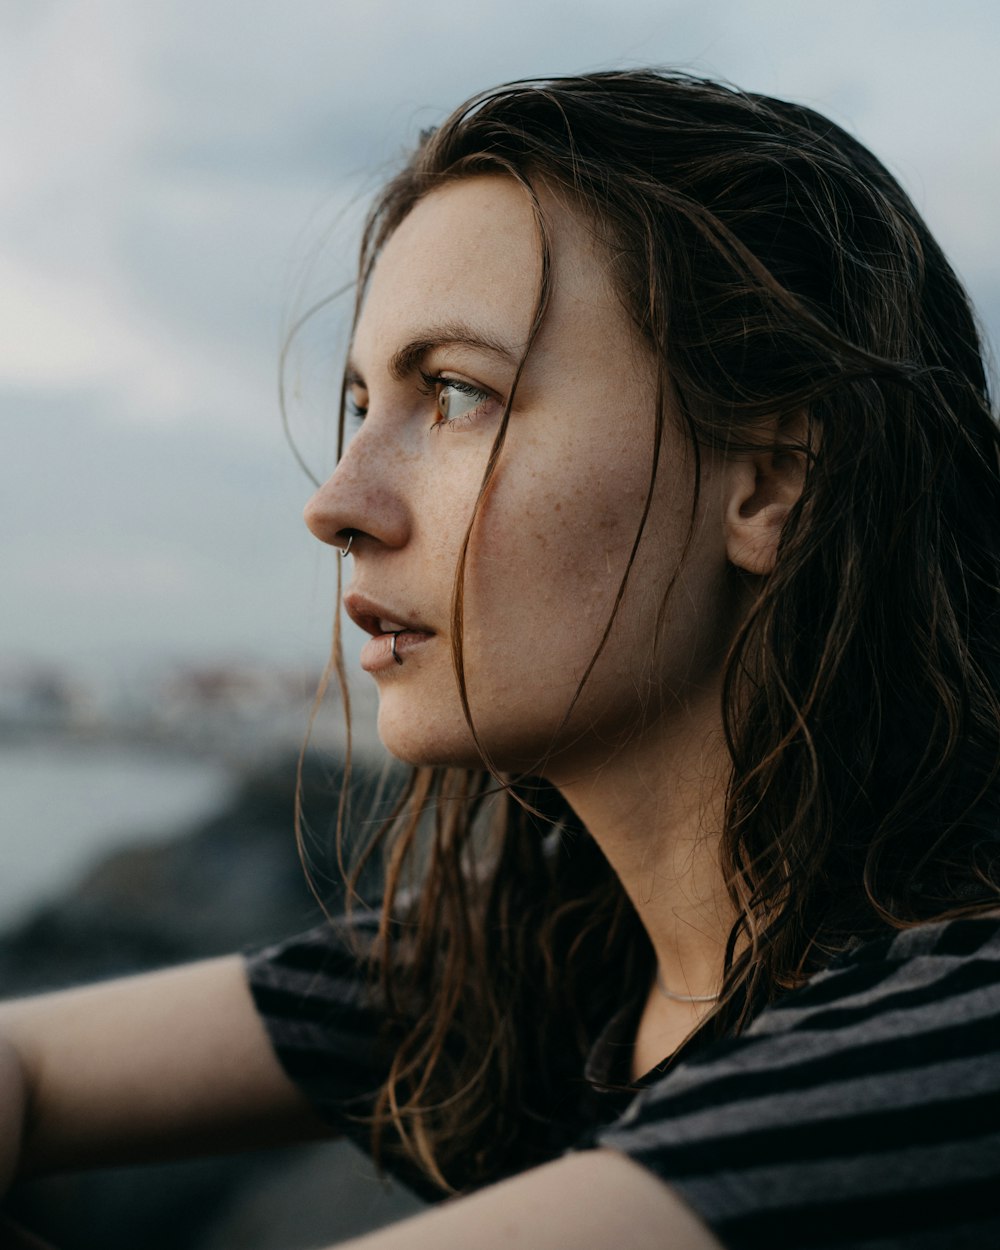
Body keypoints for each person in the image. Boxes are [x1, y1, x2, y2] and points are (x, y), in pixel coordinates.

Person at [2, 68, 1000, 1250]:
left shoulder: (960, 1028)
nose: (337, 502)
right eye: (361, 401)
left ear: (772, 480)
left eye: (459, 393)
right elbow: (27, 1060)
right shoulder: (555, 947)